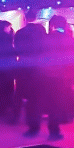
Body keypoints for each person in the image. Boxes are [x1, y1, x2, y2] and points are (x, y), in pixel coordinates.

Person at [14, 9, 47, 137]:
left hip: (24, 66)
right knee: (35, 97)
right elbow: (45, 49)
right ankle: (35, 124)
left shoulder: (20, 33)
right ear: (36, 18)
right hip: (38, 67)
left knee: (20, 93)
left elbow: (17, 50)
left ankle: (15, 117)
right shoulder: (42, 32)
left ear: (25, 19)